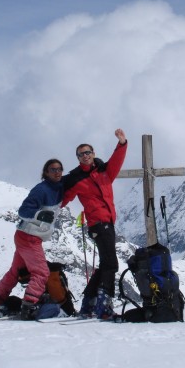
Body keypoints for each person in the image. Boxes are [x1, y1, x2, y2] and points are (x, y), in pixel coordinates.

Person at [0, 158, 65, 320]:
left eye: (60, 169)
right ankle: (29, 306)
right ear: (46, 172)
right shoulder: (41, 190)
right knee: (41, 272)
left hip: (26, 236)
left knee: (15, 273)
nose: (57, 172)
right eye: (53, 169)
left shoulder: (59, 186)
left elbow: (77, 176)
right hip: (29, 236)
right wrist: (39, 214)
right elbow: (24, 210)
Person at [62, 128, 128, 319]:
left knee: (106, 263)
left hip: (108, 222)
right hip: (98, 224)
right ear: (78, 157)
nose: (85, 156)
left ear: (93, 154)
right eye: (81, 154)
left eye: (87, 152)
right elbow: (64, 197)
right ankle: (103, 305)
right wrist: (49, 208)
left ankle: (88, 304)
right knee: (111, 264)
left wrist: (122, 143)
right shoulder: (75, 178)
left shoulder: (104, 172)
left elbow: (116, 161)